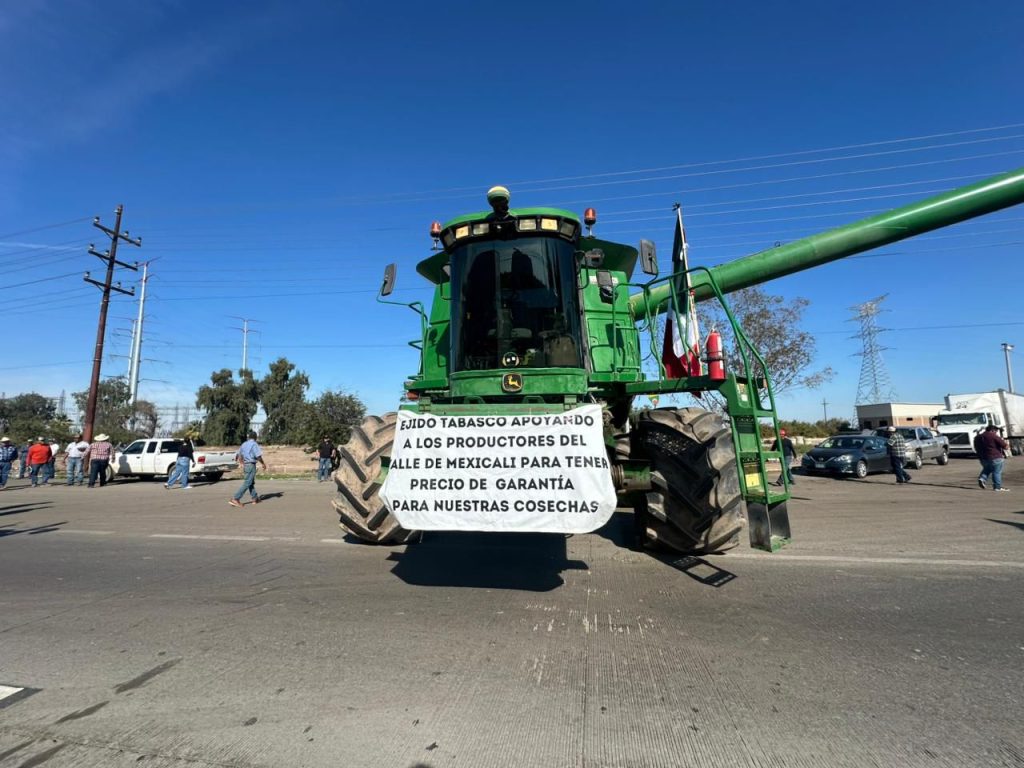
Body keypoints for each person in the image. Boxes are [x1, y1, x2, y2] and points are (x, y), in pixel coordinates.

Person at [229, 431, 266, 507]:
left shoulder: (244, 444)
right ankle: (235, 499)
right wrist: (263, 463)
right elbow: (258, 456)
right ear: (255, 437)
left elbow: (239, 455)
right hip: (251, 465)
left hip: (246, 465)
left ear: (249, 437)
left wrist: (242, 463)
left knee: (250, 482)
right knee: (247, 482)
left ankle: (255, 498)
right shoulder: (254, 444)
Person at [974, 424, 1010, 491]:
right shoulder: (993, 436)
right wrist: (1006, 446)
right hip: (995, 457)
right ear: (992, 430)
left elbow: (976, 447)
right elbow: (1005, 446)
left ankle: (982, 478)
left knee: (987, 469)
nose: (996, 432)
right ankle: (997, 487)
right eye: (996, 431)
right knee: (996, 472)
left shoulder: (977, 437)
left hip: (983, 458)